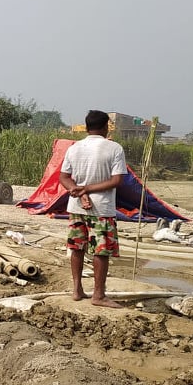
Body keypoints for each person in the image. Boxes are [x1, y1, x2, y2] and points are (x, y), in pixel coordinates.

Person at [58, 109, 127, 308]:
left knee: (76, 247)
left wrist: (77, 190)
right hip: (102, 209)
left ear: (87, 127)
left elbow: (64, 177)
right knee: (101, 251)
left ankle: (77, 289)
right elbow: (116, 180)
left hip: (76, 207)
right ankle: (98, 295)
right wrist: (86, 190)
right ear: (106, 126)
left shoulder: (74, 148)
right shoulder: (114, 148)